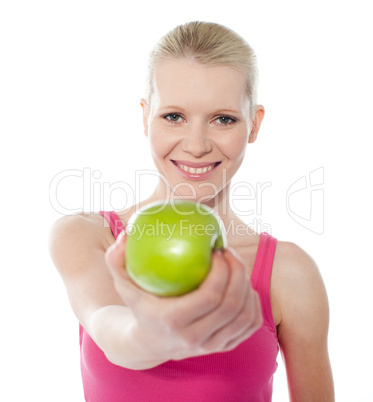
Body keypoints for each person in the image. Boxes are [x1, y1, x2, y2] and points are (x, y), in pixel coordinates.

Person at [49, 21, 335, 401]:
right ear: (144, 116)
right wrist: (152, 336)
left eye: (223, 119)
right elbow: (108, 328)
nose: (197, 145)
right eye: (173, 117)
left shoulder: (289, 274)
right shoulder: (90, 236)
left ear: (254, 124)